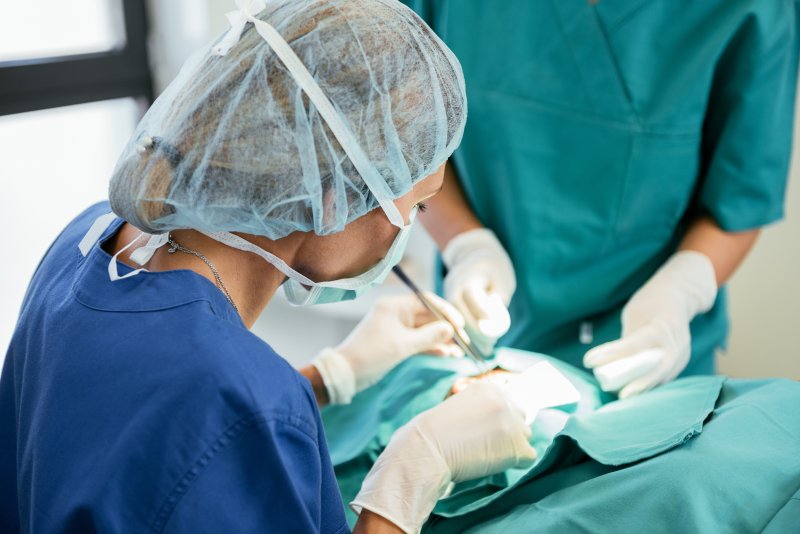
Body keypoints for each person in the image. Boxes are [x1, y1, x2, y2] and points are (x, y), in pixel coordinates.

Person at [0, 1, 538, 532]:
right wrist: (411, 478)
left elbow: (139, 433)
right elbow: (210, 418)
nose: (410, 228)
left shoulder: (87, 238)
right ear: (334, 201)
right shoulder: (237, 398)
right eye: (416, 206)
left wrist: (329, 377)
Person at [399, 0, 800, 398]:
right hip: (478, 335)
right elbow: (404, 137)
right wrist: (466, 244)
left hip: (646, 353)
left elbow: (741, 195)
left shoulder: (755, 9)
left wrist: (680, 292)